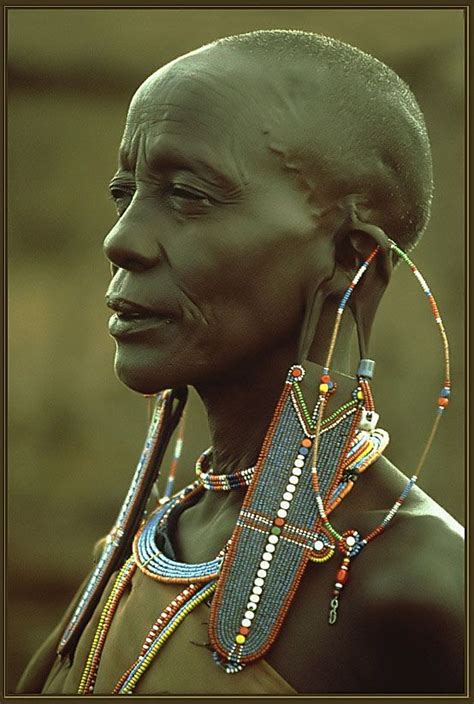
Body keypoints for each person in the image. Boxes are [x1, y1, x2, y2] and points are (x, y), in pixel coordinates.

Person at [17, 29, 464, 695]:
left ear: (350, 259)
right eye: (124, 192)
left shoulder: (420, 583)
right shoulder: (151, 546)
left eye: (189, 194)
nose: (122, 239)